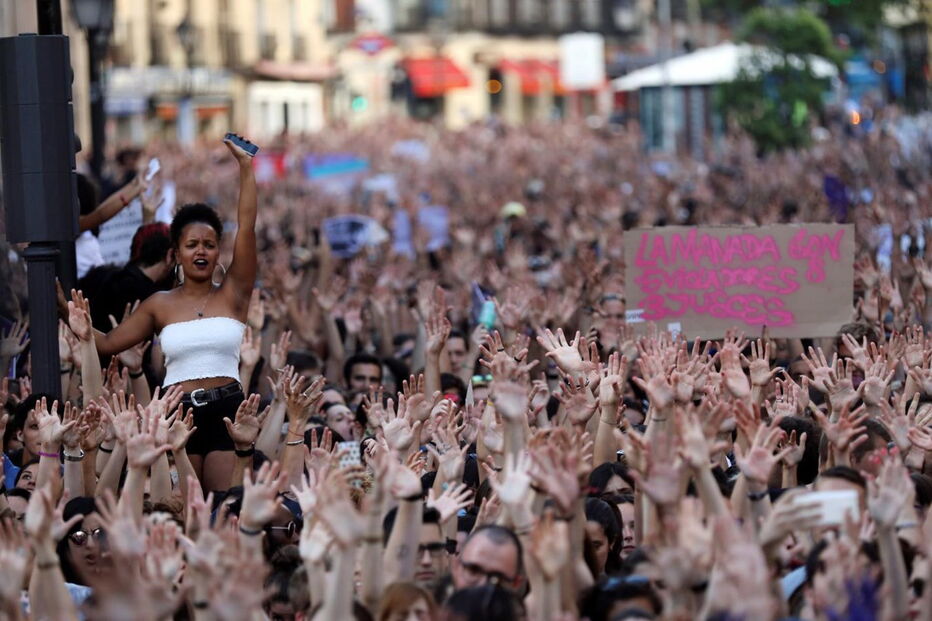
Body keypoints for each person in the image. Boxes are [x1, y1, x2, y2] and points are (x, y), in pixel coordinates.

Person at [72, 135, 257, 492]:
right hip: (176, 416)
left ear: (218, 252)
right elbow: (107, 344)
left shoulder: (234, 293)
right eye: (192, 245)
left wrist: (246, 168)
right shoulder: (159, 303)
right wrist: (68, 317)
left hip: (228, 413)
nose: (201, 251)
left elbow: (247, 226)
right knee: (177, 511)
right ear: (176, 253)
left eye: (209, 245)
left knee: (226, 508)